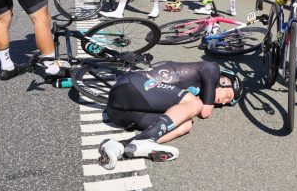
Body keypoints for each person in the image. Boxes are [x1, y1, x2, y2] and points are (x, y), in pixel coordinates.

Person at [98, 61, 244, 170]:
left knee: (186, 124)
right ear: (225, 82)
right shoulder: (212, 69)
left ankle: (121, 147)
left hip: (119, 113)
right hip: (131, 85)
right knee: (196, 105)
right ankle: (147, 139)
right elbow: (205, 112)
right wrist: (200, 102)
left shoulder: (193, 93)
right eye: (228, 97)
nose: (223, 103)